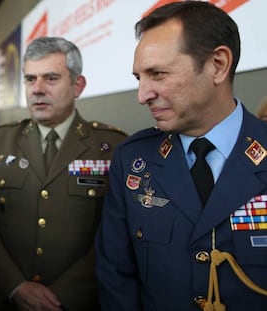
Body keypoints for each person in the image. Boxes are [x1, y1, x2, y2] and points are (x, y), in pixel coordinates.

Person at [95, 2, 267, 310]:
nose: (142, 95)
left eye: (158, 74)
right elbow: (116, 276)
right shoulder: (133, 159)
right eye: (139, 78)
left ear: (217, 64)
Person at [0, 36, 127, 311]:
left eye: (51, 78)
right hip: (9, 300)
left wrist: (66, 295)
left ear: (78, 85)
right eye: (30, 79)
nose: (37, 90)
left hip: (81, 301)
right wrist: (15, 286)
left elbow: (117, 233)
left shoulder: (112, 147)